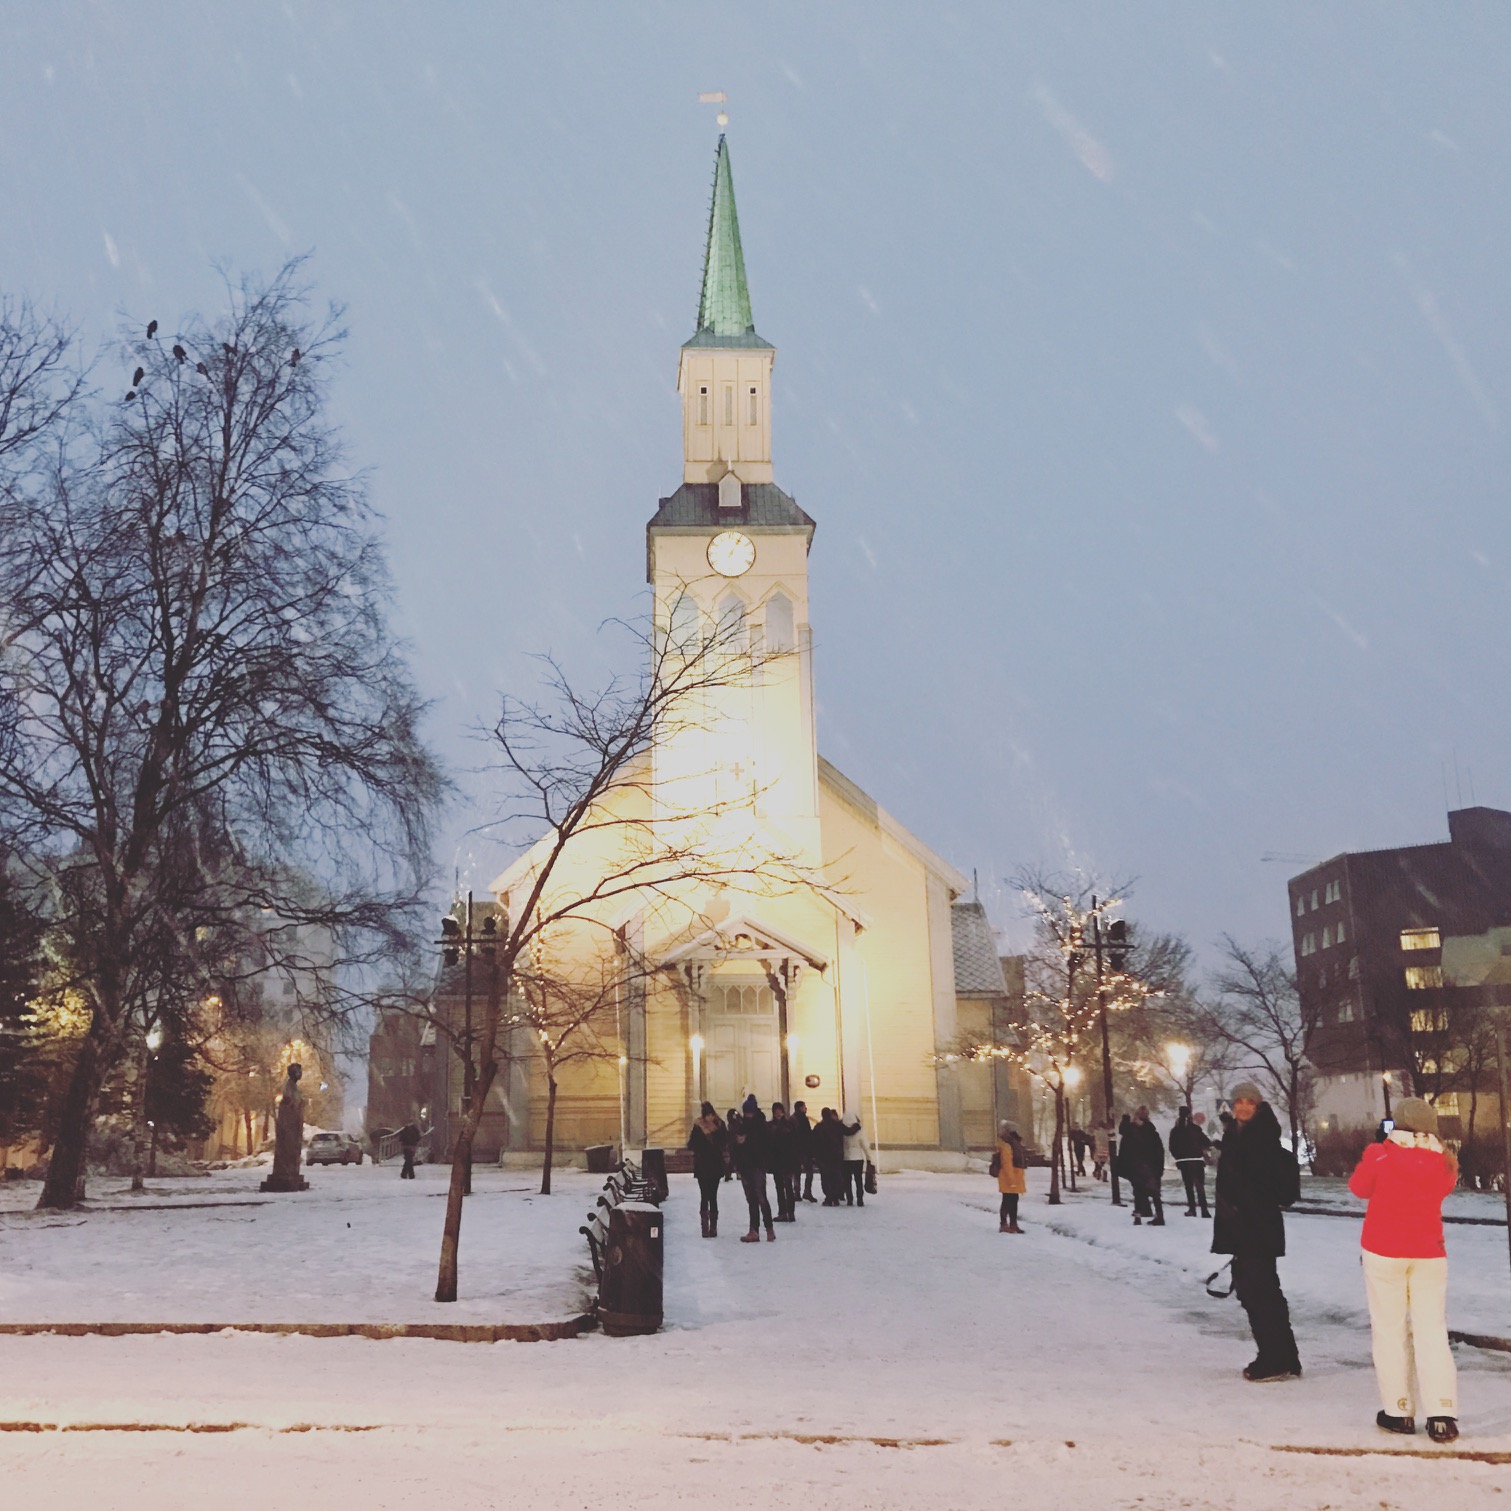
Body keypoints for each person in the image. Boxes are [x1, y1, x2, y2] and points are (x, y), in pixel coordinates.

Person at [1348, 1096, 1460, 1443]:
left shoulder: (1380, 1153)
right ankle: (1442, 1413)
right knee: (1432, 1331)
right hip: (1429, 1252)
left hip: (1384, 1251)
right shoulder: (1443, 1159)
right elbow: (1443, 1189)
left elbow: (1358, 1188)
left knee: (1390, 1330)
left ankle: (1398, 1411)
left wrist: (1379, 1149)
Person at [1212, 1081, 1302, 1383]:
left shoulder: (1259, 1137)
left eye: (1250, 1102)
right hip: (1247, 1227)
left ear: (1258, 1105)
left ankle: (1273, 1358)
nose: (1243, 1107)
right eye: (1239, 1101)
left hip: (1256, 1227)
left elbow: (1257, 1186)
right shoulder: (1237, 1134)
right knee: (1264, 1292)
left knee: (1258, 1294)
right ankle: (1285, 1356)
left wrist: (1241, 1214)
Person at [733, 1093, 775, 1243]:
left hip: (756, 1165)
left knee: (760, 1197)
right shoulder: (744, 1125)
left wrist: (745, 1141)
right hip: (747, 1166)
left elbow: (763, 1146)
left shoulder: (760, 1126)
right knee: (753, 1199)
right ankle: (755, 1230)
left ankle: (767, 1229)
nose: (748, 1115)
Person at [688, 1102, 728, 1238]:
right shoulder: (698, 1127)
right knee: (704, 1196)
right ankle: (705, 1227)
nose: (709, 1118)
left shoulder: (720, 1126)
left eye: (711, 1115)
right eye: (707, 1116)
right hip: (703, 1165)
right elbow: (691, 1144)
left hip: (714, 1165)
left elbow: (724, 1142)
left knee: (713, 1196)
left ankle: (713, 1227)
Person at [1169, 1105, 1212, 1218]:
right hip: (1197, 1160)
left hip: (1184, 1161)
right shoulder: (1195, 1129)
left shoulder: (1175, 1130)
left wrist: (1178, 1157)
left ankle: (1192, 1209)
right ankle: (1204, 1210)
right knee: (1200, 1186)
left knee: (1189, 1186)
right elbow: (1207, 1142)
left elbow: (1172, 1146)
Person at [1125, 1106, 1166, 1225]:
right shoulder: (1153, 1133)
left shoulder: (1133, 1133)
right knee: (1155, 1193)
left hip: (1138, 1167)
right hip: (1152, 1167)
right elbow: (1160, 1151)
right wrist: (1160, 1167)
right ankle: (1159, 1216)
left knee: (1138, 1192)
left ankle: (1138, 1217)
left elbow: (1128, 1150)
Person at [768, 1101, 799, 1222]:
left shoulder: (788, 1125)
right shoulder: (771, 1125)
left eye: (779, 1110)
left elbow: (792, 1141)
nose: (777, 1113)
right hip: (777, 1160)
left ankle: (789, 1212)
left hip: (786, 1160)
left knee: (787, 1186)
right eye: (776, 1111)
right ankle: (783, 1212)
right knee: (780, 1187)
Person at [995, 1120, 1027, 1233]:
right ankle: (1004, 1224)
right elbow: (1007, 1164)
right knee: (1007, 1201)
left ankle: (1013, 1224)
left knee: (1013, 1201)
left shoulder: (1013, 1143)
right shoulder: (1007, 1145)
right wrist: (1011, 1180)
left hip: (1014, 1177)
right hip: (1009, 1178)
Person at [813, 1106, 846, 1205]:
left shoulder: (818, 1127)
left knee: (825, 1177)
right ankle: (835, 1197)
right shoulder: (838, 1125)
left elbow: (813, 1142)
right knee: (836, 1176)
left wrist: (814, 1155)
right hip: (836, 1155)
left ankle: (829, 1197)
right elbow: (848, 1131)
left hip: (823, 1157)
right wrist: (856, 1126)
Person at [841, 1109, 872, 1207]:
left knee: (847, 1180)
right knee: (858, 1180)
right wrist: (869, 1158)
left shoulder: (842, 1131)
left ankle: (849, 1199)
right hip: (858, 1158)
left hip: (846, 1159)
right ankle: (860, 1199)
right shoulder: (859, 1131)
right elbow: (865, 1145)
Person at [792, 1099, 818, 1202]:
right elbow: (808, 1135)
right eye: (804, 1106)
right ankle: (807, 1192)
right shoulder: (803, 1119)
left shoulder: (792, 1119)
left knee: (796, 1172)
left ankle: (797, 1193)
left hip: (795, 1150)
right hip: (804, 1150)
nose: (805, 1108)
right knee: (809, 1171)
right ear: (800, 1108)